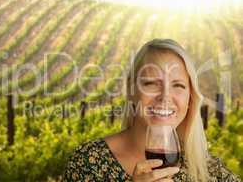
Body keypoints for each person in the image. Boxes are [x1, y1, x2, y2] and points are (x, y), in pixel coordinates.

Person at [62, 39, 241, 182]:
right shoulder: (88, 163)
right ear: (131, 90)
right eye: (151, 83)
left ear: (190, 99)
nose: (165, 96)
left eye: (178, 85)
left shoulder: (206, 169)